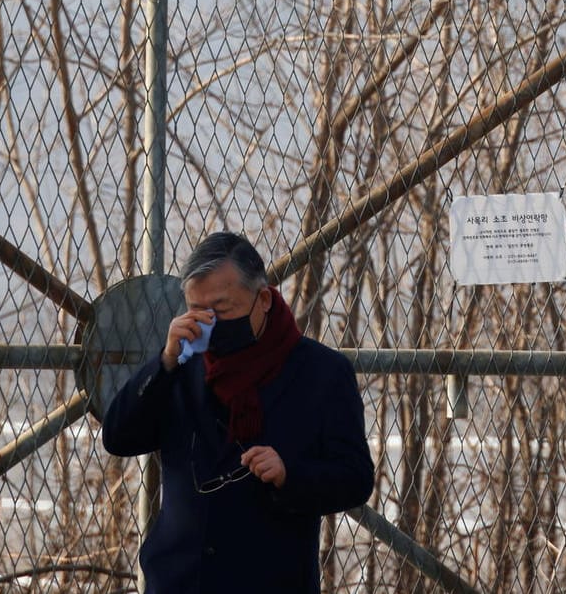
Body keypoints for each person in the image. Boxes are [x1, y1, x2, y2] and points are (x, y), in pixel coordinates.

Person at [102, 231, 374, 593]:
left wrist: (289, 475)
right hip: (180, 580)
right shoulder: (181, 366)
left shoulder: (322, 373)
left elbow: (355, 479)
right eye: (197, 310)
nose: (208, 323)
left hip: (271, 580)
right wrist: (164, 362)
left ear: (262, 299)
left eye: (221, 310)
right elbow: (118, 436)